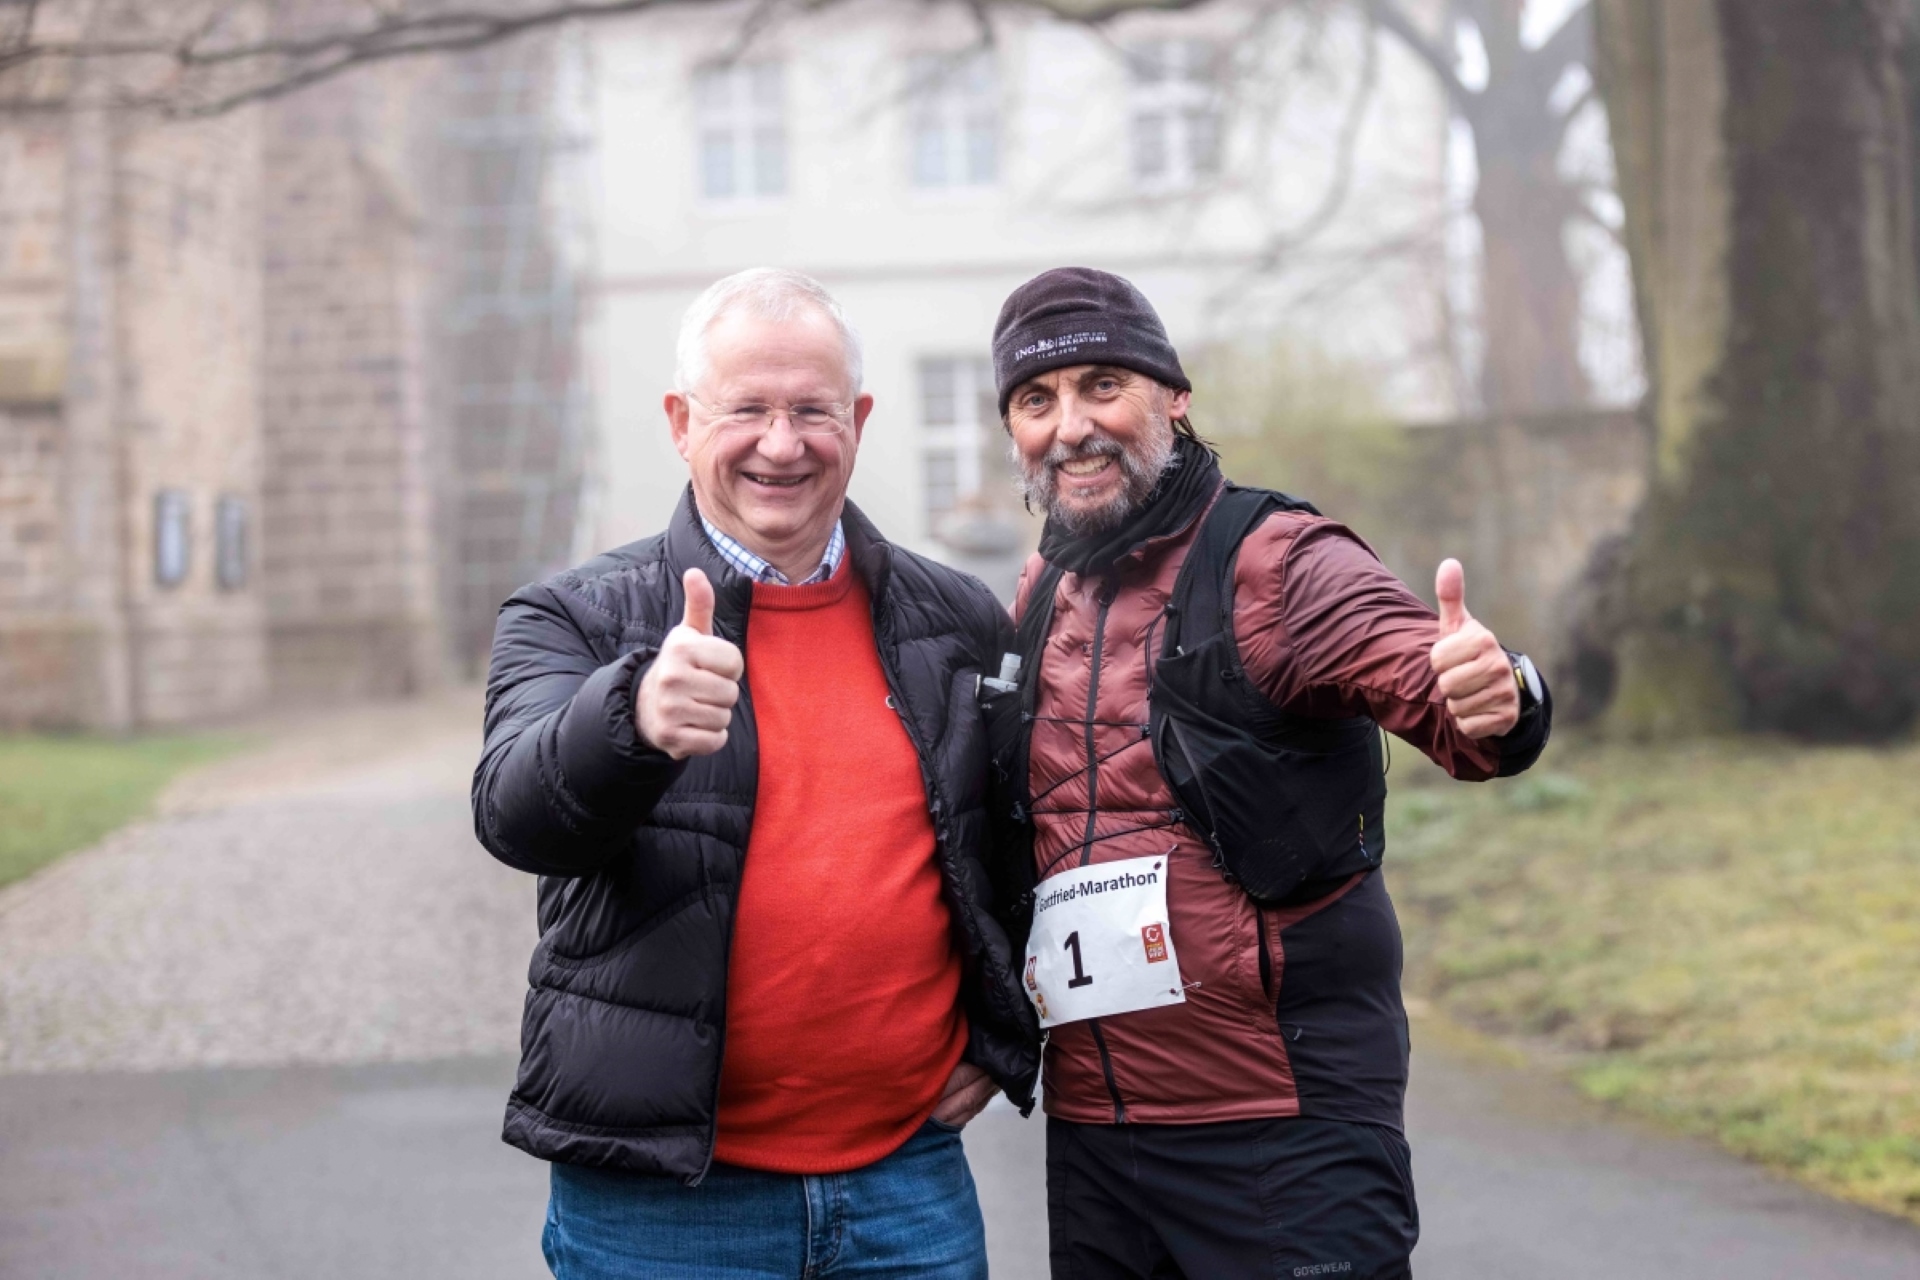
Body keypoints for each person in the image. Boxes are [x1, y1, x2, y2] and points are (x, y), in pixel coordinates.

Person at [471, 268, 1039, 1279]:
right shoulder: (574, 617)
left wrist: (1002, 1036)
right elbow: (517, 814)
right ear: (681, 422)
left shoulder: (956, 619)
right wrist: (630, 719)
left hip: (906, 1185)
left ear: (858, 421)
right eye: (747, 410)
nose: (782, 444)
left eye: (813, 410)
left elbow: (1020, 840)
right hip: (664, 1207)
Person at [987, 268, 1552, 1279]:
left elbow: (1428, 680)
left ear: (1174, 396)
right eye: (1037, 401)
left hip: (1281, 1131)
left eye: (1103, 386)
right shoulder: (1044, 592)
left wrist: (1496, 691)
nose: (1071, 427)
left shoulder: (1277, 559)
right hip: (1098, 1136)